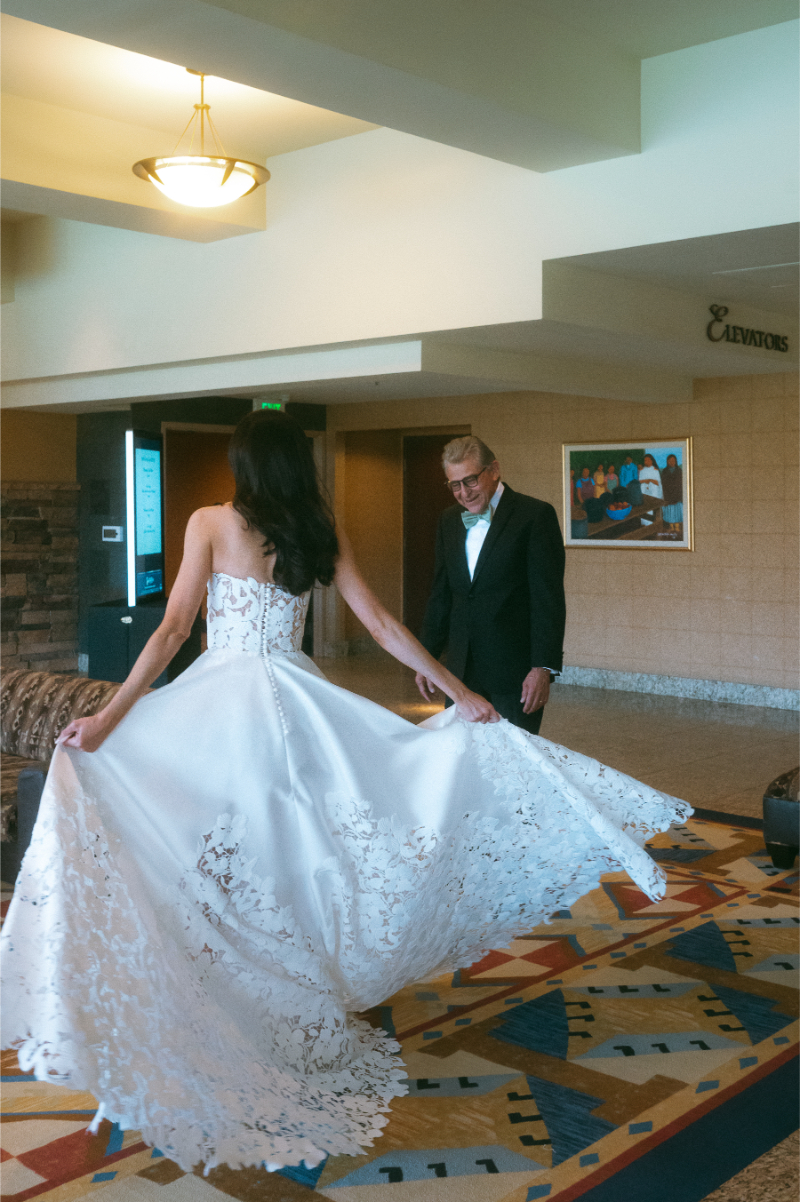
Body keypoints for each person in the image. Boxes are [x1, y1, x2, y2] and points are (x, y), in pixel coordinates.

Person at [1, 411, 689, 1175]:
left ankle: (246, 1003)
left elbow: (169, 634)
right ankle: (272, 997)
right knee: (304, 858)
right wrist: (461, 695)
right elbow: (382, 622)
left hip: (222, 707)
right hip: (296, 706)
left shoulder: (209, 521)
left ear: (244, 466)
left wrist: (106, 719)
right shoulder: (313, 525)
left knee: (213, 856)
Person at [415, 436, 565, 736]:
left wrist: (542, 668)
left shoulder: (535, 516)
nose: (463, 493)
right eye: (454, 484)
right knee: (462, 760)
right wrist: (425, 657)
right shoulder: (448, 520)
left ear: (494, 470)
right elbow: (442, 595)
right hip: (459, 671)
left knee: (515, 764)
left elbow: (547, 598)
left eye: (470, 481)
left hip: (515, 674)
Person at [638, 453, 664, 526]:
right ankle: (644, 523)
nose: (646, 461)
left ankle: (654, 523)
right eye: (645, 460)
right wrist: (645, 481)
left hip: (653, 492)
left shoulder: (655, 470)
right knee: (645, 506)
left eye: (648, 460)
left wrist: (650, 480)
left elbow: (658, 482)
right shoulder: (642, 470)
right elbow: (640, 481)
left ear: (652, 461)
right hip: (645, 491)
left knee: (652, 507)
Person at [661, 453, 684, 532]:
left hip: (677, 495)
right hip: (668, 495)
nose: (672, 462)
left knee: (677, 512)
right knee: (670, 512)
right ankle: (671, 527)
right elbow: (663, 484)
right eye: (670, 461)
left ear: (676, 461)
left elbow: (681, 484)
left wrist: (678, 495)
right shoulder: (664, 471)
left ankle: (677, 527)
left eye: (673, 461)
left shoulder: (679, 471)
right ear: (667, 462)